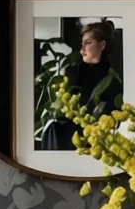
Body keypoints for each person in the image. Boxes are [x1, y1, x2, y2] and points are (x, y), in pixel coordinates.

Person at [41, 20, 123, 151]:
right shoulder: (73, 72)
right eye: (82, 44)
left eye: (88, 43)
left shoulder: (115, 80)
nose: (82, 50)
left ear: (102, 45)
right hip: (69, 141)